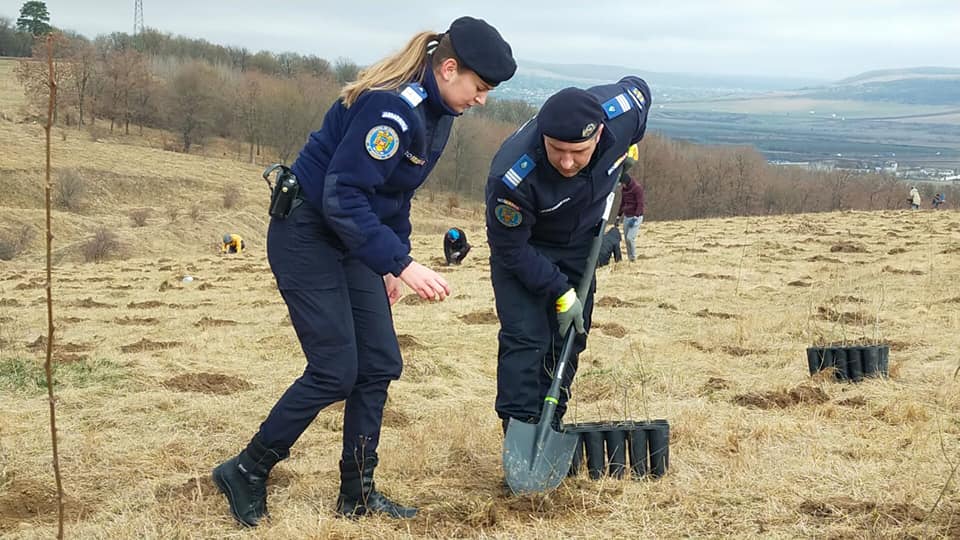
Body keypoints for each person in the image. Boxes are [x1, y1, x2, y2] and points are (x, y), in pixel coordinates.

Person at [212, 17, 515, 527]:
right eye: (479, 87)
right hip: (307, 234)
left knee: (378, 364)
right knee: (335, 369)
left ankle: (357, 493)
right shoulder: (391, 109)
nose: (482, 100)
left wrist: (390, 262)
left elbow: (395, 194)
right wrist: (403, 264)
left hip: (352, 238)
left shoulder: (438, 113)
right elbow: (343, 195)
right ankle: (246, 469)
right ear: (449, 69)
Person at [485, 78, 651, 437]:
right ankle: (520, 430)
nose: (566, 161)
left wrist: (629, 148)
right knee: (526, 339)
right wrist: (561, 291)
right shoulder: (512, 176)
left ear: (599, 133)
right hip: (527, 247)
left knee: (570, 338)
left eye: (578, 151)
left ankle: (552, 421)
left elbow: (640, 89)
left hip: (579, 244)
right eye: (556, 149)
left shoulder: (624, 112)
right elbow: (509, 248)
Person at [616, 146, 644, 262]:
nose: (621, 186)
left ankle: (633, 259)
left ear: (625, 182)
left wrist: (636, 217)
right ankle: (629, 259)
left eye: (622, 183)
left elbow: (640, 203)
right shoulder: (624, 189)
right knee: (626, 239)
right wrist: (618, 216)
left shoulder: (637, 188)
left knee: (630, 238)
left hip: (635, 217)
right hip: (627, 216)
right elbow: (623, 203)